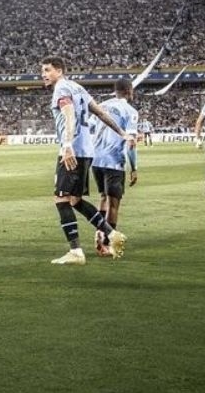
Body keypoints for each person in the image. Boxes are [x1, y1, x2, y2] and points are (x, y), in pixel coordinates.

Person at [40, 55, 131, 265]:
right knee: (75, 200)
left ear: (59, 71)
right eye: (43, 71)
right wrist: (121, 132)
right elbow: (100, 112)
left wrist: (68, 144)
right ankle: (111, 233)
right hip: (87, 150)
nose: (43, 75)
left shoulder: (62, 89)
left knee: (61, 199)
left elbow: (69, 114)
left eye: (47, 70)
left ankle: (75, 251)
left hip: (73, 149)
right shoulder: (78, 88)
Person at [91, 79, 139, 257]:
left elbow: (90, 128)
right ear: (129, 91)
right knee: (114, 204)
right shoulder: (130, 111)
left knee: (103, 197)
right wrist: (133, 167)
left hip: (96, 160)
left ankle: (99, 232)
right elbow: (131, 143)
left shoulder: (101, 105)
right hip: (113, 161)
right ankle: (108, 243)